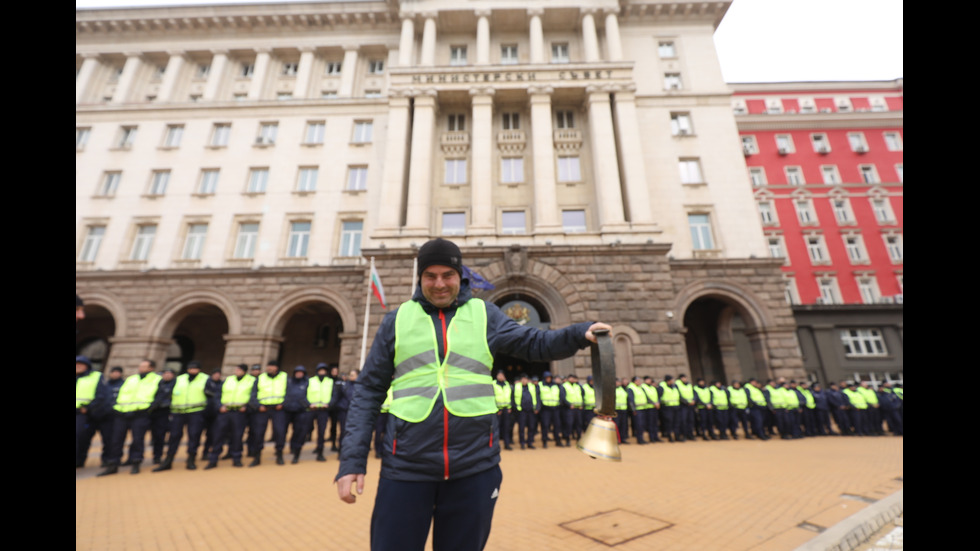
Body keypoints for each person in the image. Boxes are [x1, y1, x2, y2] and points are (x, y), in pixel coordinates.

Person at [334, 238, 610, 551]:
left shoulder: (485, 314)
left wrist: (578, 333)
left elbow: (536, 343)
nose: (439, 284)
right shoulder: (396, 321)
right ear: (420, 277)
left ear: (459, 275)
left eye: (447, 275)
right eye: (430, 276)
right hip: (406, 467)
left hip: (475, 467)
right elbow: (368, 391)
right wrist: (352, 461)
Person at [98, 360, 165, 476]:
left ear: (151, 368)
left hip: (140, 414)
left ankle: (135, 462)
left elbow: (160, 396)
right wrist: (115, 406)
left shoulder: (157, 379)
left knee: (137, 439)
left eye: (144, 366)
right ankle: (113, 463)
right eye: (140, 366)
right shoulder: (131, 379)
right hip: (122, 413)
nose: (141, 368)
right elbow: (120, 393)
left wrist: (148, 409)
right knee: (116, 440)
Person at [154, 361, 208, 471]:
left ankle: (191, 459)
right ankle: (168, 460)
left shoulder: (205, 378)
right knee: (174, 436)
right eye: (190, 368)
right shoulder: (179, 379)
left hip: (196, 411)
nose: (192, 370)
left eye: (195, 368)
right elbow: (167, 392)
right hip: (178, 412)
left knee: (194, 435)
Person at [205, 363, 255, 469]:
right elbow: (218, 395)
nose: (236, 371)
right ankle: (213, 459)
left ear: (244, 371)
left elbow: (253, 395)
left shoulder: (251, 381)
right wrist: (219, 406)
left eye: (239, 370)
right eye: (236, 369)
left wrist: (247, 407)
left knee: (237, 436)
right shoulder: (228, 380)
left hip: (239, 412)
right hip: (225, 411)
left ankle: (236, 458)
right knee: (218, 435)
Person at [249, 360, 289, 466]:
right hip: (263, 409)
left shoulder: (284, 377)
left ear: (276, 368)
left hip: (278, 409)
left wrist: (284, 403)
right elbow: (253, 393)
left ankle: (279, 454)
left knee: (280, 432)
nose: (269, 368)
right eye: (268, 366)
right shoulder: (260, 378)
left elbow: (289, 393)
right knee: (258, 433)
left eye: (271, 366)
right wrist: (258, 406)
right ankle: (257, 457)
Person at [76, 355, 109, 468]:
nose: (78, 367)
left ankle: (79, 460)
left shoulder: (96, 376)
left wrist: (89, 407)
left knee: (80, 436)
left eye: (80, 364)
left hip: (84, 412)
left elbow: (101, 395)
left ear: (87, 366)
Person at [308, 363, 336, 462]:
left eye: (324, 371)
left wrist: (329, 404)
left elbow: (334, 395)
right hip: (311, 409)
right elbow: (304, 393)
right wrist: (308, 404)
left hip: (323, 410)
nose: (322, 372)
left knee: (322, 431)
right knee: (305, 429)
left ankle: (320, 451)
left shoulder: (330, 381)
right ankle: (296, 451)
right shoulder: (311, 381)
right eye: (320, 371)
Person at [284, 365, 311, 464]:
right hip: (288, 410)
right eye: (297, 372)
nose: (299, 374)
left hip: (301, 411)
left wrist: (305, 404)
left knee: (299, 432)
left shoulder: (307, 383)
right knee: (283, 431)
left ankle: (296, 452)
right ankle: (288, 448)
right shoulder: (289, 382)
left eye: (301, 372)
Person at [150, 369, 176, 465]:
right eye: (165, 374)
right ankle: (156, 456)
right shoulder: (157, 383)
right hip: (152, 411)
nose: (167, 376)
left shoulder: (176, 384)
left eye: (169, 374)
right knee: (156, 435)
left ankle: (162, 456)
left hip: (167, 412)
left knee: (164, 435)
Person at [513, 374, 539, 449]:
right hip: (522, 410)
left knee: (531, 427)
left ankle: (530, 442)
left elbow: (536, 397)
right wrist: (516, 408)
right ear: (521, 380)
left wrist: (536, 407)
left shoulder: (531, 386)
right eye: (523, 379)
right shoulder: (516, 387)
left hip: (531, 410)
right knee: (521, 427)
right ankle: (522, 443)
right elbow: (513, 398)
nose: (524, 381)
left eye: (526, 379)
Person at [538, 371, 564, 448]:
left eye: (549, 377)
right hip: (545, 409)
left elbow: (560, 394)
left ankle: (557, 440)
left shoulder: (556, 385)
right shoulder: (540, 385)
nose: (548, 379)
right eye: (547, 377)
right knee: (545, 426)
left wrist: (560, 403)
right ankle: (544, 441)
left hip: (555, 408)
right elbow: (538, 396)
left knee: (557, 425)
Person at [492, 371, 514, 451]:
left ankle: (507, 444)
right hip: (497, 409)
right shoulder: (493, 384)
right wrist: (496, 408)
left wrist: (509, 407)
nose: (501, 376)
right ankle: (496, 445)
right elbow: (491, 397)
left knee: (506, 427)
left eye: (502, 375)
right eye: (499, 375)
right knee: (496, 427)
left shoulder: (507, 384)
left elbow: (511, 396)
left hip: (506, 409)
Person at [626, 376, 650, 444]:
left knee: (642, 425)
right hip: (637, 410)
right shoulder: (631, 388)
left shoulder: (640, 387)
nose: (639, 382)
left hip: (643, 409)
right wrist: (633, 409)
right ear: (634, 381)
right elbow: (630, 400)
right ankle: (639, 439)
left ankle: (641, 438)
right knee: (638, 425)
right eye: (638, 381)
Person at [658, 375, 682, 442]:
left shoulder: (675, 386)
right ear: (668, 381)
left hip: (676, 407)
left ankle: (677, 436)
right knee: (669, 423)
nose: (673, 381)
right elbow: (658, 396)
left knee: (677, 422)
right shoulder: (662, 387)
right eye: (672, 380)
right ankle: (670, 437)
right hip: (667, 407)